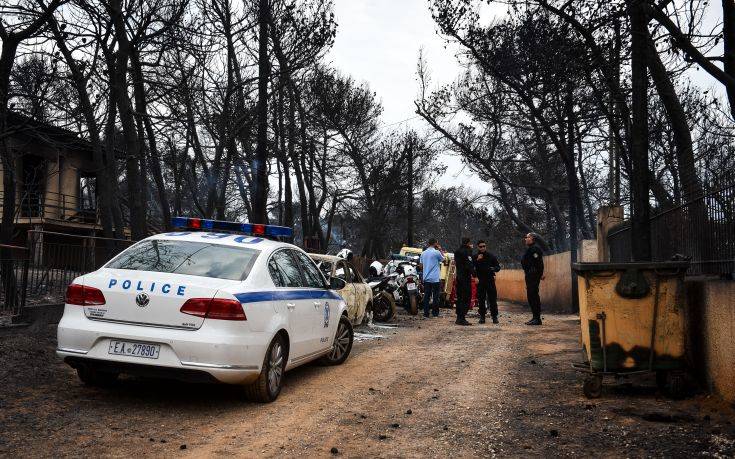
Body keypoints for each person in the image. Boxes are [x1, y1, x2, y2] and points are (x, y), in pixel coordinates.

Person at [473, 240, 501, 324]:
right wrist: (477, 260)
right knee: (481, 299)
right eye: (481, 246)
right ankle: (482, 317)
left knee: (492, 299)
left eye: (484, 246)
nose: (482, 248)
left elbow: (498, 267)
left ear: (486, 246)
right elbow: (471, 267)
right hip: (480, 280)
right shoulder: (475, 256)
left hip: (490, 280)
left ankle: (494, 317)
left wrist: (493, 269)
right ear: (478, 247)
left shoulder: (491, 256)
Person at [521, 232, 544, 326]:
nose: (525, 238)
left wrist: (539, 274)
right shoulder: (531, 249)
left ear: (533, 239)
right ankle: (535, 317)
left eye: (527, 237)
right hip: (530, 275)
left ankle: (537, 319)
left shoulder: (535, 249)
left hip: (533, 275)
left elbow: (539, 263)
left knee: (533, 296)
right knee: (531, 296)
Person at [419, 238, 444, 318]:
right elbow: (443, 259)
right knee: (436, 296)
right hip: (435, 278)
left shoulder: (423, 253)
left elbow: (421, 266)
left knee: (427, 296)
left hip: (426, 278)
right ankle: (435, 313)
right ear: (435, 243)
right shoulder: (436, 252)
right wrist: (440, 250)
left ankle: (426, 313)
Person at [453, 237, 475, 326]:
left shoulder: (457, 251)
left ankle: (458, 317)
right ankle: (462, 318)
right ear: (468, 243)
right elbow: (469, 264)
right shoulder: (467, 251)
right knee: (466, 297)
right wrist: (475, 275)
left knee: (459, 298)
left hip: (459, 276)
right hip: (465, 277)